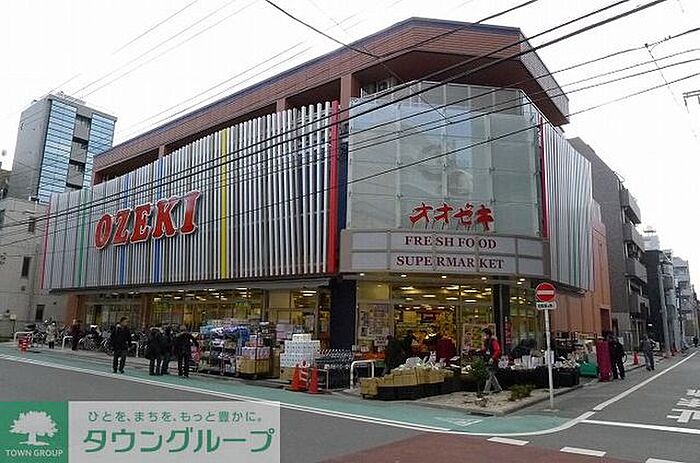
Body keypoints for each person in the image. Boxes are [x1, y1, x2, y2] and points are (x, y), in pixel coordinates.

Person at [482, 328, 502, 394]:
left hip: (493, 360)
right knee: (491, 375)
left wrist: (493, 358)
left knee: (489, 375)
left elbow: (497, 351)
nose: (483, 336)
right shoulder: (486, 341)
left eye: (484, 334)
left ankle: (486, 390)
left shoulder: (493, 341)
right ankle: (498, 388)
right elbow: (486, 349)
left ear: (488, 334)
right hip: (488, 359)